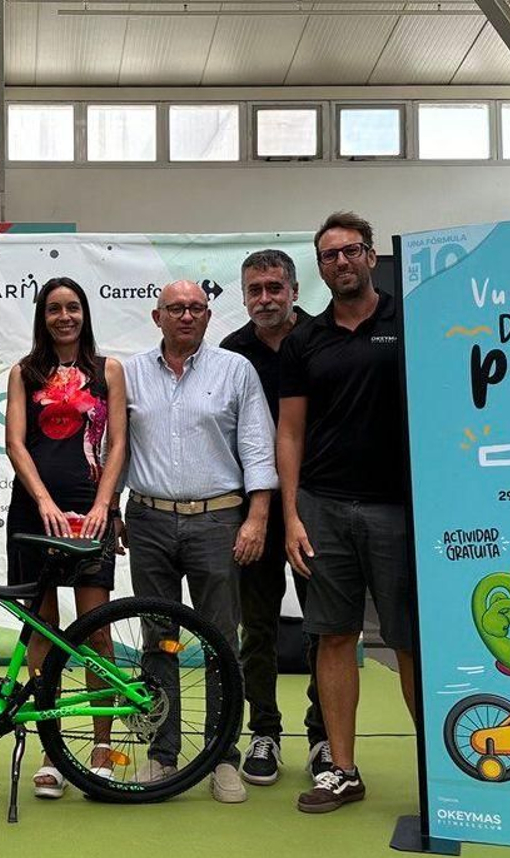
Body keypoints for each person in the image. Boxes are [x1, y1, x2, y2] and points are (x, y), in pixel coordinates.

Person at [279, 211, 417, 815]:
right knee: (333, 636)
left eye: (351, 251)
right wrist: (290, 514)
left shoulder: (410, 321)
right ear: (320, 267)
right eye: (329, 255)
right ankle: (341, 769)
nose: (341, 262)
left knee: (409, 641)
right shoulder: (305, 340)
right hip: (323, 508)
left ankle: (439, 769)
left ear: (370, 256)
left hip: (398, 510)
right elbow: (289, 433)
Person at [121, 279, 277, 803]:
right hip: (148, 520)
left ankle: (221, 756)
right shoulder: (130, 373)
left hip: (218, 522)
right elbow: (112, 444)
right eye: (175, 308)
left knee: (220, 640)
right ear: (156, 316)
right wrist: (112, 505)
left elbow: (257, 448)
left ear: (208, 316)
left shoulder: (236, 370)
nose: (186, 316)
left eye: (195, 308)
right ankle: (163, 755)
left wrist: (257, 518)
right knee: (158, 638)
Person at [3, 277, 128, 799]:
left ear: (85, 314)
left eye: (73, 307)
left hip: (90, 515)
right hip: (34, 515)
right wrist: (45, 504)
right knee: (42, 631)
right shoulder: (23, 372)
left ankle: (100, 749)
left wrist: (102, 505)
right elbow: (14, 442)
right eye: (54, 309)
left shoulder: (108, 370)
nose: (64, 317)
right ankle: (54, 752)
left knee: (96, 630)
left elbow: (119, 443)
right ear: (42, 316)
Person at [218, 249, 329, 786]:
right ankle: (263, 729)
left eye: (274, 288)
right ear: (243, 296)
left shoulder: (324, 340)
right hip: (252, 513)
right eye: (255, 290)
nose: (265, 299)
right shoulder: (230, 354)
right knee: (255, 627)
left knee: (323, 627)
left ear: (293, 290)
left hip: (320, 506)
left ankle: (325, 735)